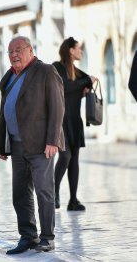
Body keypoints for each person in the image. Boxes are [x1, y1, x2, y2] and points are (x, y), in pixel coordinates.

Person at [0, 36, 65, 254]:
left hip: (40, 144)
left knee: (44, 192)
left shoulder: (45, 71)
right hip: (16, 144)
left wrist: (53, 140)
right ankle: (28, 236)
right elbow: (4, 110)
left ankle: (47, 237)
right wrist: (2, 143)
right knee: (20, 193)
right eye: (10, 51)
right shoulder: (9, 76)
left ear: (30, 50)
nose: (14, 54)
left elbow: (57, 107)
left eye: (18, 50)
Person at [53, 37, 97, 211]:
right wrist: (85, 83)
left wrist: (85, 89)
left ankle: (73, 200)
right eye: (79, 48)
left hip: (75, 121)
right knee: (65, 157)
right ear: (71, 50)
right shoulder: (57, 68)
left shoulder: (77, 72)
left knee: (74, 160)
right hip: (62, 121)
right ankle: (53, 195)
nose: (81, 51)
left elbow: (81, 86)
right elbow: (64, 87)